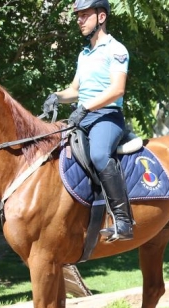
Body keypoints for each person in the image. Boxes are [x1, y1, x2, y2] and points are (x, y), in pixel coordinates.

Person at [42, 0, 133, 241]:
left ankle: (124, 221)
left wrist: (84, 107)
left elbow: (117, 90)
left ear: (101, 17)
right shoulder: (84, 54)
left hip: (107, 117)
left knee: (100, 155)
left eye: (84, 15)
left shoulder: (116, 49)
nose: (79, 20)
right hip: (83, 116)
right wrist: (56, 96)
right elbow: (75, 89)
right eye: (78, 16)